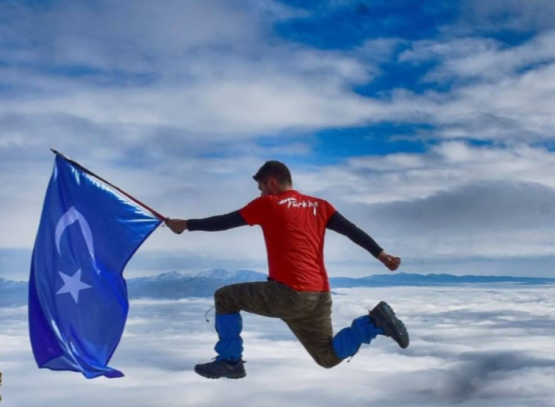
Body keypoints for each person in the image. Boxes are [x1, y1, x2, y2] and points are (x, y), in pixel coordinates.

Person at [165, 160, 409, 379]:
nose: (260, 193)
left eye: (261, 188)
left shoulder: (269, 204)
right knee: (327, 358)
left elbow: (224, 222)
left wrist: (185, 225)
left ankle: (230, 361)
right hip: (319, 296)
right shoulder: (320, 206)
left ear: (271, 182)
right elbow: (351, 230)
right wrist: (381, 254)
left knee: (225, 297)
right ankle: (374, 323)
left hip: (290, 294)